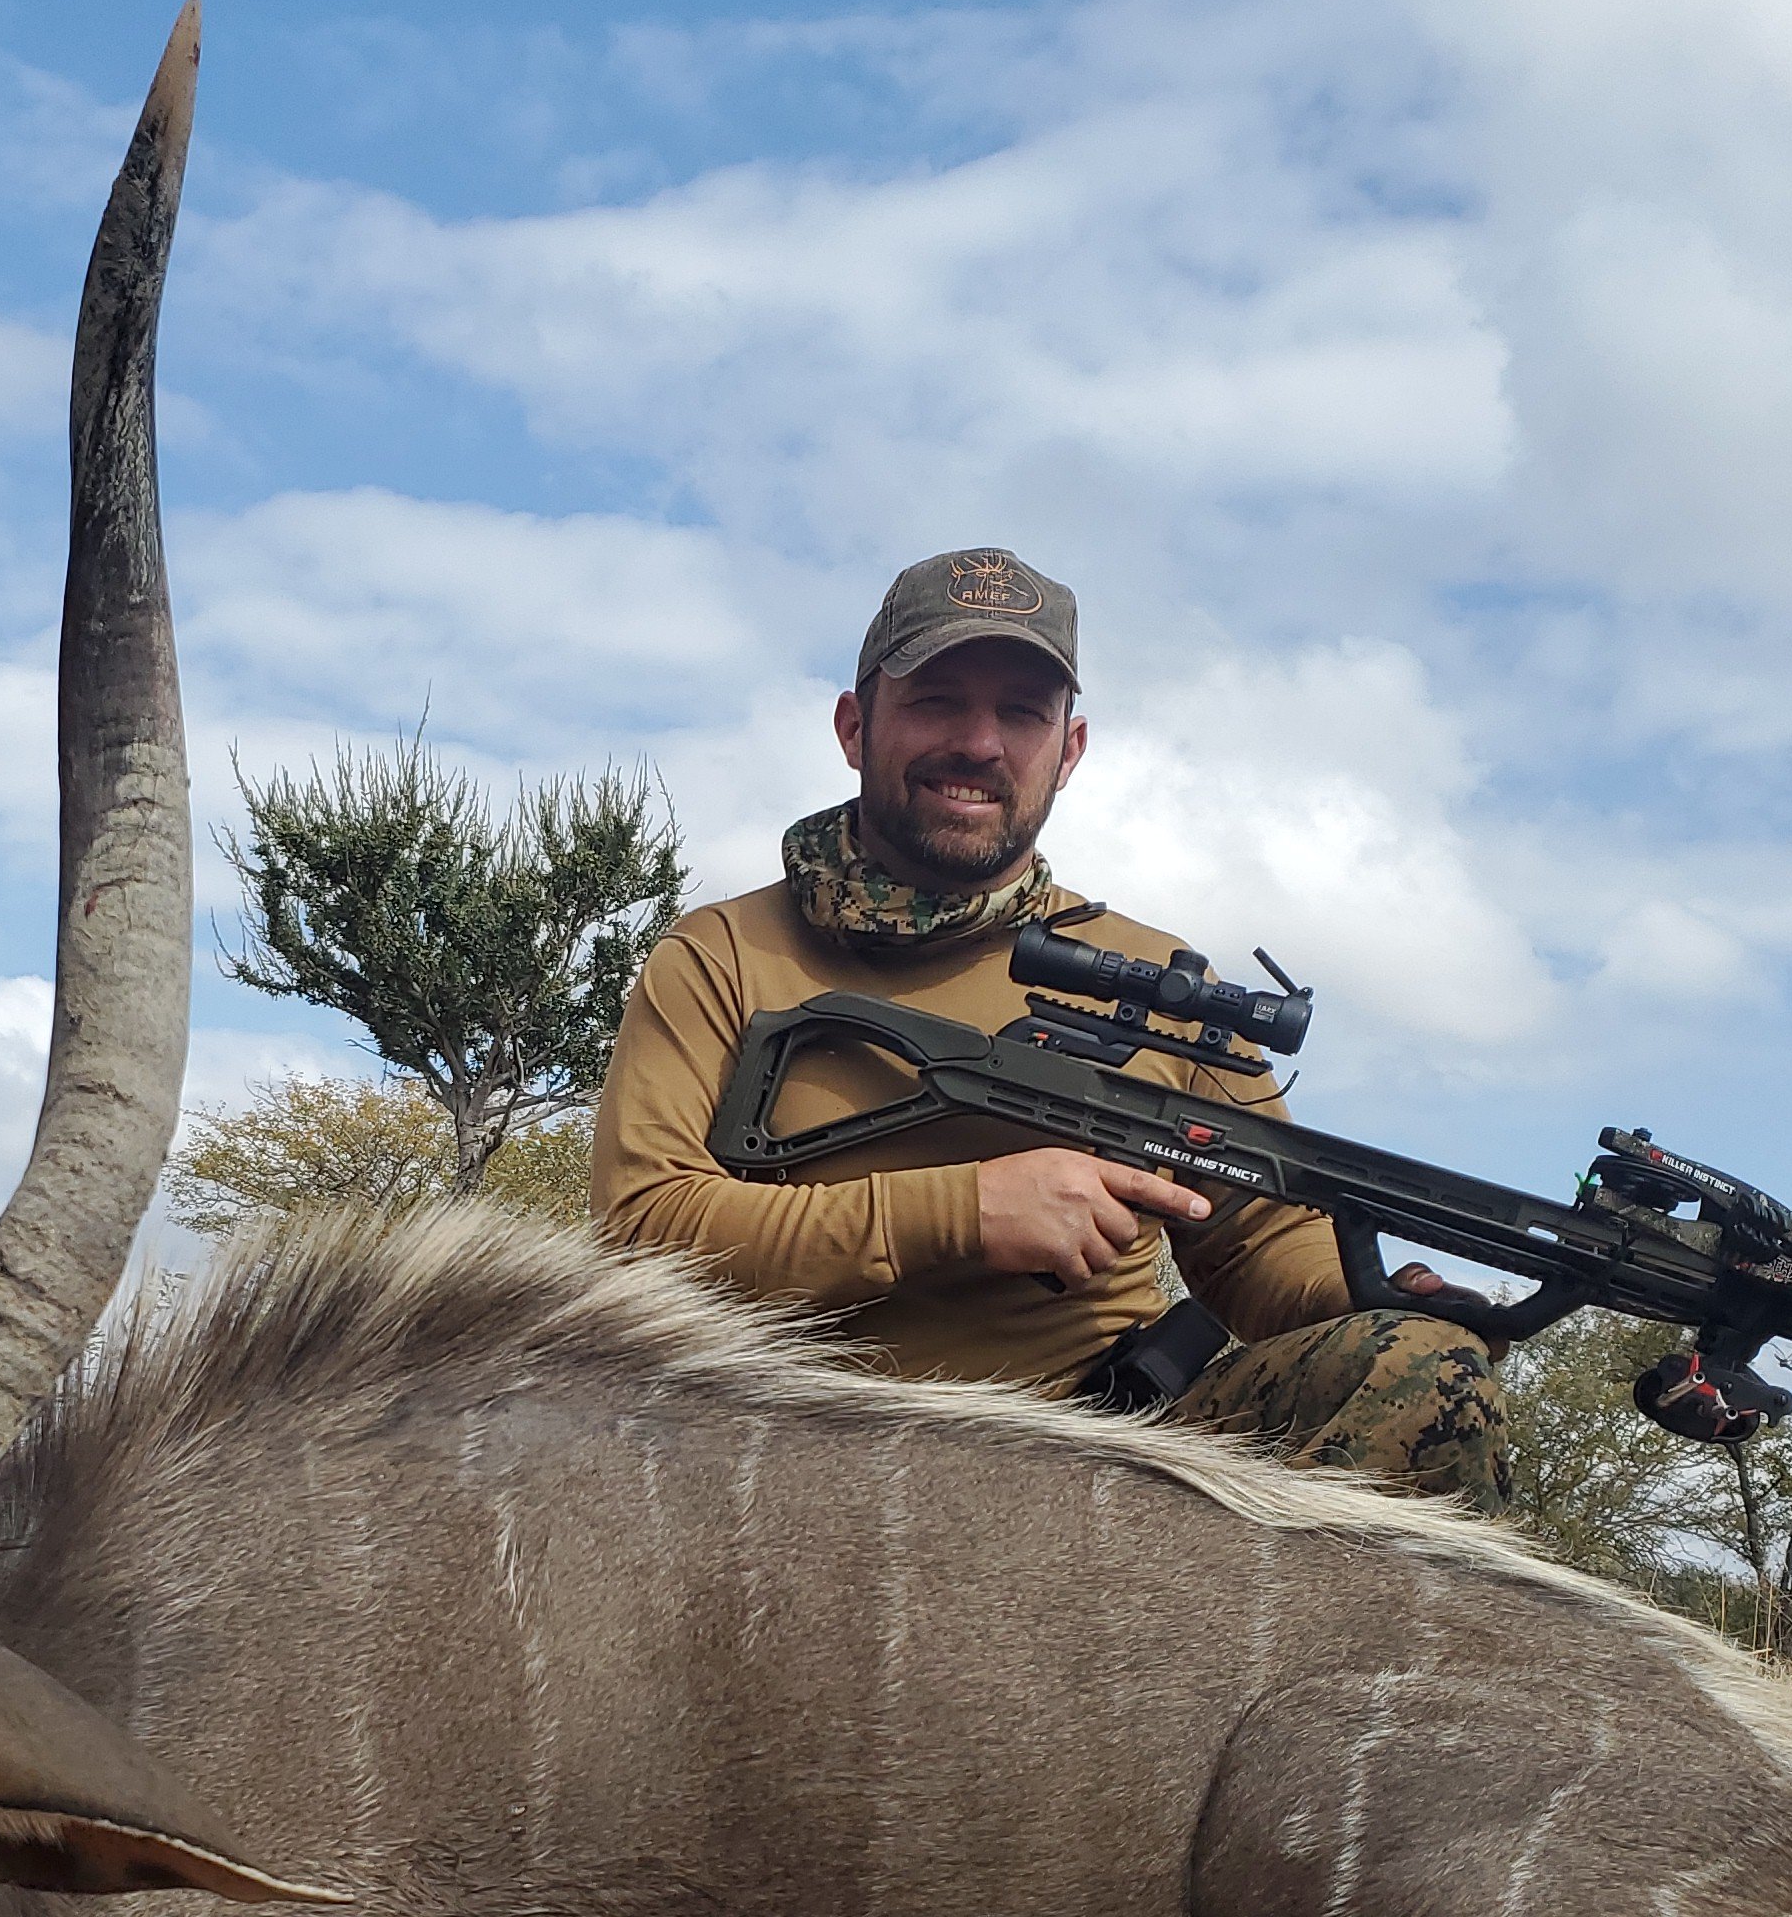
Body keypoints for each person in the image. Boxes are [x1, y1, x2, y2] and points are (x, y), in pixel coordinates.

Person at [590, 545, 1510, 1504]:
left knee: (1420, 1364)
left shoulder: (1164, 981)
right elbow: (644, 1234)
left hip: (1105, 1461)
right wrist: (968, 1215)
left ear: (1068, 751)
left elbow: (1257, 1242)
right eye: (938, 699)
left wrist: (1381, 1298)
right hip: (797, 1460)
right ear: (854, 726)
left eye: (1022, 713)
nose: (980, 744)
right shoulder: (718, 956)